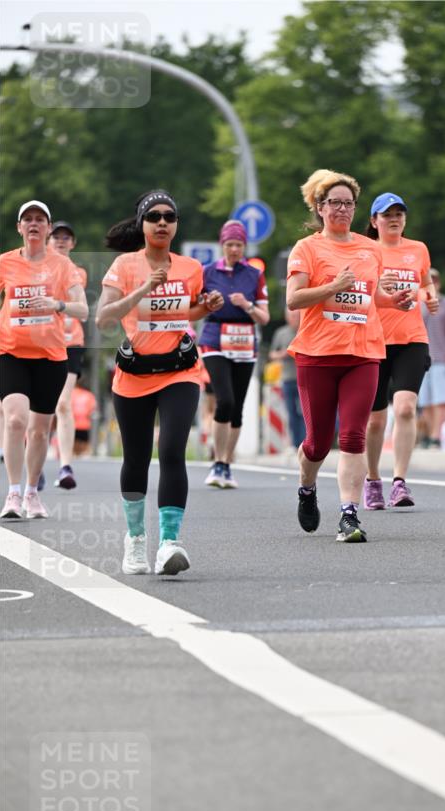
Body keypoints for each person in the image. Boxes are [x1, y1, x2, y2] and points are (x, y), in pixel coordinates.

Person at [96, 190, 223, 575]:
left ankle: (169, 542)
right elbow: (103, 319)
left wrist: (208, 305)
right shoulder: (124, 265)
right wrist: (144, 289)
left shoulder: (189, 268)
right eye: (154, 216)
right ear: (142, 224)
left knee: (170, 451)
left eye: (170, 216)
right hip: (134, 376)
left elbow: (187, 312)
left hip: (179, 371)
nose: (163, 222)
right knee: (136, 460)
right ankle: (135, 540)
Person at [286, 169, 412, 543]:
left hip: (363, 352)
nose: (341, 209)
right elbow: (293, 299)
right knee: (318, 443)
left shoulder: (370, 248)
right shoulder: (306, 249)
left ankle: (349, 515)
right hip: (317, 354)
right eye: (334, 203)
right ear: (320, 208)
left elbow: (371, 297)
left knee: (353, 436)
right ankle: (307, 488)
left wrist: (396, 301)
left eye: (348, 203)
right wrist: (332, 286)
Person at [0, 200, 88, 519]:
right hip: (10, 352)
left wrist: (56, 303)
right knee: (14, 420)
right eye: (28, 219)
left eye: (40, 219)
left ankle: (32, 493)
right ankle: (11, 494)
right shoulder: (5, 262)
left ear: (48, 228)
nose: (34, 224)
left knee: (39, 430)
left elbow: (83, 309)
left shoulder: (63, 266)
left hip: (51, 356)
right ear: (19, 228)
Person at [363, 193, 438, 509]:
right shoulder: (365, 251)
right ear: (374, 221)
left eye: (399, 214)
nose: (394, 219)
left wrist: (428, 297)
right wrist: (379, 282)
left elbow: (426, 285)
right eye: (387, 214)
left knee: (406, 408)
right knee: (376, 420)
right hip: (374, 340)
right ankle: (371, 479)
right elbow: (354, 291)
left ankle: (399, 482)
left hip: (411, 339)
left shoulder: (418, 249)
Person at [199, 220, 269, 488]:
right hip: (214, 339)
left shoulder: (253, 274)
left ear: (244, 247)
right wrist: (207, 303)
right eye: (229, 244)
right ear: (222, 245)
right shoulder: (207, 272)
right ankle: (217, 462)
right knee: (224, 400)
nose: (234, 249)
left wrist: (247, 305)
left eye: (239, 245)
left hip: (244, 340)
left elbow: (264, 317)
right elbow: (194, 304)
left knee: (237, 408)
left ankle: (227, 464)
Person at [47, 220, 88, 489]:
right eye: (56, 237)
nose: (61, 241)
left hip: (71, 343)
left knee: (62, 404)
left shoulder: (77, 273)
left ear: (72, 243)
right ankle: (35, 466)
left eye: (66, 238)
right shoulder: (34, 268)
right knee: (39, 409)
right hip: (41, 343)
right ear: (48, 241)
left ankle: (65, 466)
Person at [418, 268, 445, 447]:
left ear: (439, 283)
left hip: (441, 358)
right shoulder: (417, 305)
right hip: (420, 360)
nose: (432, 283)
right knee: (425, 402)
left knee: (440, 401)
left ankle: (436, 436)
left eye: (434, 280)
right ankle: (428, 435)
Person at [269, 307, 306, 448]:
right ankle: (296, 444)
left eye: (296, 316)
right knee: (291, 413)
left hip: (305, 379)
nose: (294, 319)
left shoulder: (305, 329)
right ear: (286, 317)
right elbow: (272, 354)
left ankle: (306, 442)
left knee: (306, 413)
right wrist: (283, 354)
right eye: (291, 316)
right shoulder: (281, 333)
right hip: (288, 378)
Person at [70, 380, 97, 456]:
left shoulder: (72, 393)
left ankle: (74, 457)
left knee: (73, 444)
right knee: (84, 446)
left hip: (73, 424)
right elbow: (92, 410)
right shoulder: (89, 395)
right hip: (84, 425)